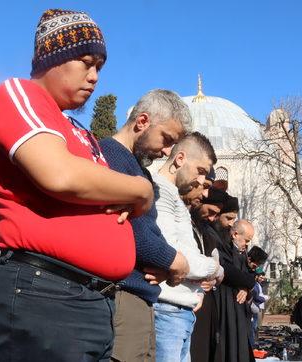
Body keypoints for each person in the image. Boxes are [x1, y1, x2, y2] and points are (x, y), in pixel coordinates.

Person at [0, 9, 154, 361]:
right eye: (86, 62)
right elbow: (61, 175)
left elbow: (95, 189)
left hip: (93, 302)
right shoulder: (17, 95)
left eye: (99, 67)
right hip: (43, 296)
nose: (94, 76)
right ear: (51, 57)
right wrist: (141, 189)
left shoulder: (77, 131)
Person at [99, 89, 192, 362]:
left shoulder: (139, 170)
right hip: (122, 296)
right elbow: (133, 234)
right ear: (142, 121)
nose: (165, 152)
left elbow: (150, 232)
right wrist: (176, 263)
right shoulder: (110, 156)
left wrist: (165, 265)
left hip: (141, 298)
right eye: (166, 140)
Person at [153, 132, 224, 362]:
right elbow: (175, 254)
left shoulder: (176, 198)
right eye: (201, 171)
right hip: (167, 311)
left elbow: (190, 256)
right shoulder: (160, 191)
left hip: (180, 312)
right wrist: (215, 269)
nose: (202, 183)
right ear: (180, 159)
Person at [190, 174, 227, 362]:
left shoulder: (207, 231)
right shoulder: (186, 223)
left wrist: (213, 277)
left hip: (207, 301)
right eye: (210, 211)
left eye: (216, 215)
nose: (212, 218)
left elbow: (218, 268)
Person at [216, 220, 263, 362]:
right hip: (226, 305)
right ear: (235, 234)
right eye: (246, 240)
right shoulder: (223, 247)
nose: (247, 245)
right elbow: (230, 271)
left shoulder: (242, 253)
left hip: (240, 312)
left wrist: (246, 287)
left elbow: (246, 273)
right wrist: (247, 283)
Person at [250, 268, 269, 347]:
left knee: (257, 326)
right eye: (260, 277)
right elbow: (256, 297)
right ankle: (253, 343)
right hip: (255, 307)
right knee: (254, 326)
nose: (262, 279)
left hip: (259, 307)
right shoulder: (254, 284)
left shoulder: (259, 285)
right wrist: (265, 298)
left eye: (263, 278)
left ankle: (255, 341)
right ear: (256, 276)